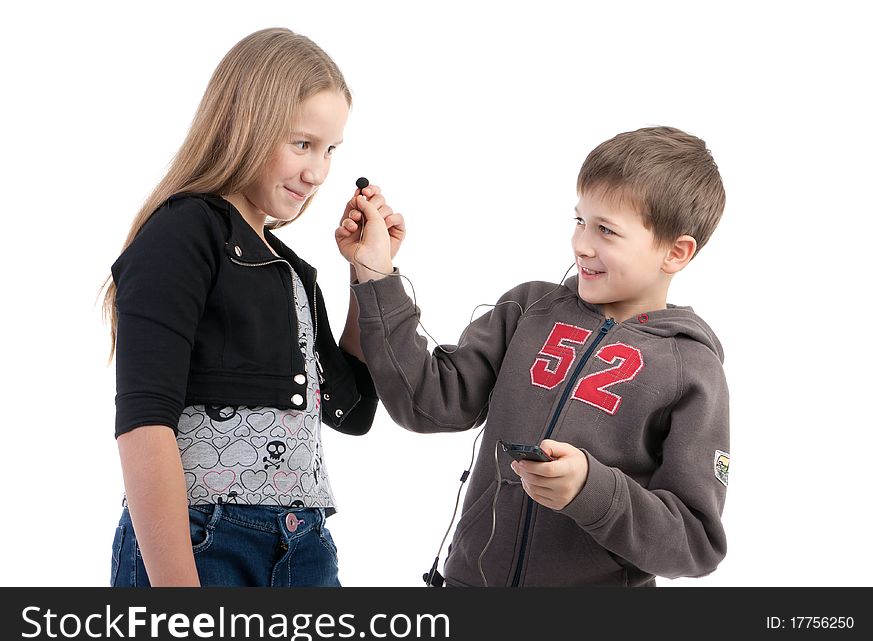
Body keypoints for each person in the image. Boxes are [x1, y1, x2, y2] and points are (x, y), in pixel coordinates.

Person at [336, 126, 729, 586]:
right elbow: (427, 403)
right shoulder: (528, 310)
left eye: (606, 230)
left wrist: (591, 490)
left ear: (676, 252)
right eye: (580, 220)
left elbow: (695, 544)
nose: (582, 243)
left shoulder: (693, 370)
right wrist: (376, 274)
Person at [103, 28, 402, 587]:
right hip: (205, 540)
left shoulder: (288, 268)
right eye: (302, 143)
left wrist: (369, 273)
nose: (317, 172)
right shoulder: (183, 233)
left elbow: (354, 409)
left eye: (330, 150)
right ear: (247, 124)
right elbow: (143, 424)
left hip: (304, 544)